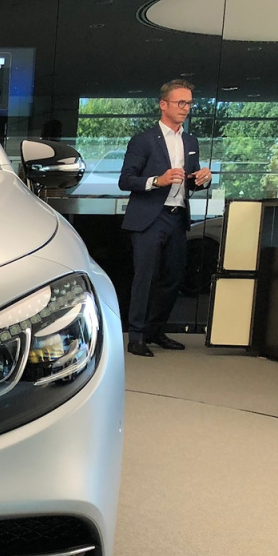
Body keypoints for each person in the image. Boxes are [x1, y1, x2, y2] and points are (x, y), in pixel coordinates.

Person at [117, 79, 212, 357]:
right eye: (181, 102)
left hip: (177, 216)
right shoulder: (144, 140)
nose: (186, 108)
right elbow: (126, 180)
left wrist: (202, 179)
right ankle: (136, 336)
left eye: (189, 103)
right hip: (149, 217)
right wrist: (157, 180)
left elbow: (190, 182)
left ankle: (155, 330)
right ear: (163, 104)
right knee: (144, 277)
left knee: (172, 277)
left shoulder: (190, 141)